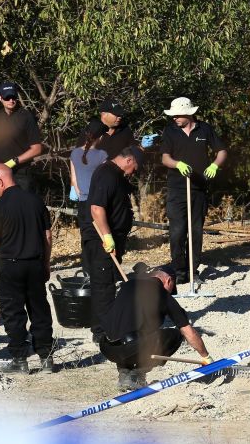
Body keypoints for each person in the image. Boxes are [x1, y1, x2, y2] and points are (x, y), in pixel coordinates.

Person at [0, 163, 55, 374]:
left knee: (13, 313)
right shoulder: (36, 202)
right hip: (35, 264)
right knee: (39, 311)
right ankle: (46, 358)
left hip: (10, 266)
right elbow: (47, 236)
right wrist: (46, 264)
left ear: (0, 181)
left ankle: (20, 360)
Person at [100, 264, 212, 389]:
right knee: (175, 335)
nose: (170, 293)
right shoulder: (162, 294)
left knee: (129, 330)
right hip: (130, 348)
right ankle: (137, 374)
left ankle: (124, 374)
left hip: (107, 347)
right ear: (168, 281)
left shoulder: (128, 285)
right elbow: (187, 331)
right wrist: (206, 357)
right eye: (171, 289)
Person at [159, 97, 228, 284]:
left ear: (189, 114)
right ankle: (179, 271)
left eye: (177, 115)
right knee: (177, 231)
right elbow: (165, 158)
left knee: (196, 231)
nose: (174, 118)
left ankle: (193, 270)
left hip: (199, 189)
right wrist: (177, 164)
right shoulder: (171, 131)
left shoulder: (204, 129)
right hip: (177, 189)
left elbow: (222, 151)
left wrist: (215, 165)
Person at [79, 146, 144, 344]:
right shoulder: (107, 174)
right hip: (102, 240)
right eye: (136, 167)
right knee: (104, 286)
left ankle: (106, 325)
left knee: (107, 284)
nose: (134, 172)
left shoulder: (114, 174)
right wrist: (107, 237)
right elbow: (97, 208)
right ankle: (103, 332)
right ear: (129, 160)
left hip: (111, 239)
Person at [0, 81, 43, 193]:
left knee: (21, 209)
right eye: (7, 97)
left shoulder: (26, 117)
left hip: (20, 175)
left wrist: (15, 161)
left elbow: (37, 148)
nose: (11, 100)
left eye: (13, 96)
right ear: (0, 98)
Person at [70, 120, 109, 277]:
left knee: (86, 236)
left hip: (83, 201)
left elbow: (74, 180)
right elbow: (105, 179)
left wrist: (80, 193)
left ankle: (86, 269)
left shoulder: (74, 153)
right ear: (100, 138)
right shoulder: (102, 155)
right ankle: (100, 268)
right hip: (97, 201)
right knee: (99, 235)